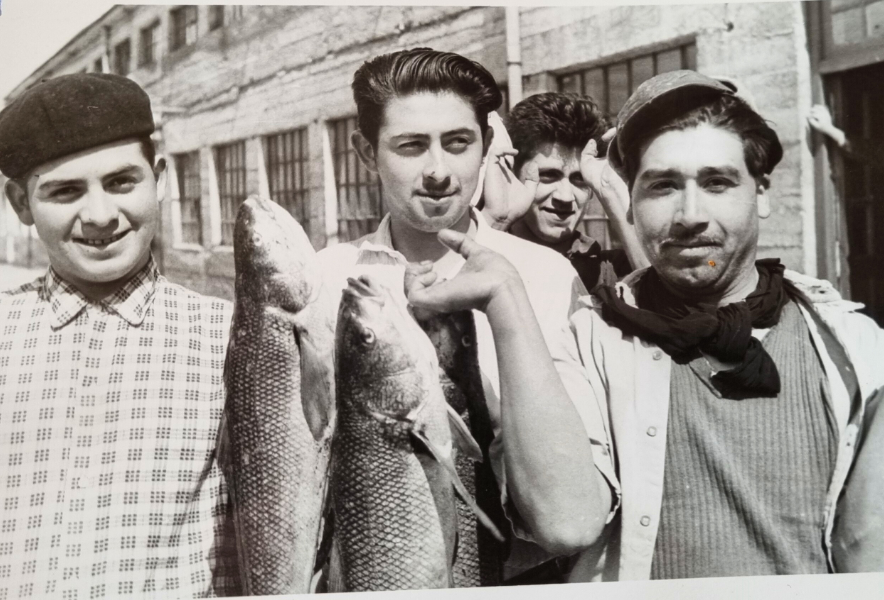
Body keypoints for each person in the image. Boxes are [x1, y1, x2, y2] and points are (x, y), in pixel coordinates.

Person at [317, 48, 616, 583]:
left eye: (458, 143)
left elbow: (571, 516)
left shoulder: (545, 277)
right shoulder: (329, 280)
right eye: (410, 146)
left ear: (486, 148)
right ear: (367, 153)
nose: (437, 171)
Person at [574, 70, 884, 579]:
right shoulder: (590, 341)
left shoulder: (856, 352)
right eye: (662, 186)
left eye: (717, 182)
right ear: (629, 200)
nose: (689, 214)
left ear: (761, 193)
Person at [0, 74, 240, 598]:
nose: (100, 215)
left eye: (121, 181)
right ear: (21, 204)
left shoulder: (233, 339)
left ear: (160, 178)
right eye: (65, 191)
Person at [480, 92, 648, 290]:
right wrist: (496, 222)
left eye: (580, 179)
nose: (566, 197)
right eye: (549, 175)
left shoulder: (611, 272)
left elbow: (669, 310)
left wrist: (610, 190)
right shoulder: (485, 251)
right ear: (512, 175)